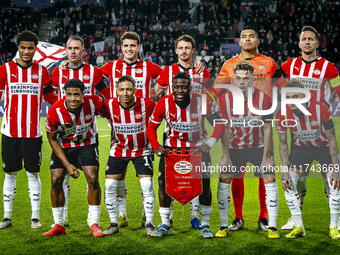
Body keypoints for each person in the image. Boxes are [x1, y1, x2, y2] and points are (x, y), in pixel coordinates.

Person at [273, 25, 340, 231]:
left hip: (321, 124)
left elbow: (338, 90)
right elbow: (275, 78)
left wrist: (328, 104)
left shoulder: (328, 67)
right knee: (298, 178)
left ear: (317, 44)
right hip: (297, 129)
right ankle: (295, 218)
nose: (307, 42)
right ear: (299, 43)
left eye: (311, 39)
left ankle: (335, 220)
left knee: (328, 178)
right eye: (304, 39)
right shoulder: (290, 64)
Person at [147, 72, 225, 238]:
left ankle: (205, 224)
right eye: (176, 87)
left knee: (204, 186)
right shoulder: (163, 102)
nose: (180, 90)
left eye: (184, 86)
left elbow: (219, 124)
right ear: (171, 87)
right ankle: (165, 223)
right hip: (171, 152)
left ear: (190, 87)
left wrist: (210, 142)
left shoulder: (202, 101)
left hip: (197, 150)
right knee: (163, 185)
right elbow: (151, 128)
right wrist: (156, 146)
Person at [214, 26, 277, 231]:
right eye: (244, 36)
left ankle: (264, 217)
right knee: (235, 173)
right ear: (239, 42)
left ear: (258, 41)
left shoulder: (269, 63)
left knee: (265, 172)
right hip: (238, 128)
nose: (248, 39)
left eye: (252, 36)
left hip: (261, 126)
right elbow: (217, 91)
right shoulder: (228, 65)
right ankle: (238, 217)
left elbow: (283, 85)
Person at [52, 35, 110, 228]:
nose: (73, 52)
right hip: (63, 135)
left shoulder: (94, 72)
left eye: (77, 48)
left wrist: (103, 111)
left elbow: (106, 94)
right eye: (70, 48)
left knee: (91, 176)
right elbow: (52, 97)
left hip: (87, 134)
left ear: (84, 51)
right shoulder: (57, 72)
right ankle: (63, 216)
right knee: (60, 178)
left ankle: (91, 219)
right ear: (65, 50)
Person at [0, 31, 55, 229]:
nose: (26, 51)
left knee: (33, 174)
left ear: (35, 49)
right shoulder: (4, 69)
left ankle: (35, 218)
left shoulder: (43, 72)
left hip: (33, 134)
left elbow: (52, 100)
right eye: (23, 47)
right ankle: (7, 217)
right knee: (10, 175)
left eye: (30, 48)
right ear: (18, 48)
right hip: (10, 133)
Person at [156, 34, 211, 229]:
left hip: (197, 133)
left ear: (192, 50)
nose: (184, 51)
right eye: (181, 48)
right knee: (170, 177)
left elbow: (209, 95)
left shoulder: (202, 71)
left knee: (196, 178)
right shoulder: (168, 70)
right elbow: (155, 92)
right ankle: (167, 218)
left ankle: (195, 217)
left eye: (188, 48)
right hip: (172, 133)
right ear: (176, 50)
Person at [277, 81, 340, 239]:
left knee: (334, 181)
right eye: (288, 97)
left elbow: (332, 139)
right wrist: (285, 172)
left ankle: (334, 225)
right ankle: (299, 225)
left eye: (295, 97)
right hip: (302, 148)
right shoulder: (282, 113)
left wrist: (337, 168)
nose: (291, 101)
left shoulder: (321, 109)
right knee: (289, 181)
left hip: (324, 147)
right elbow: (283, 144)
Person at [43, 79, 105, 237]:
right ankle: (59, 224)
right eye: (69, 94)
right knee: (56, 179)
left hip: (87, 144)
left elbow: (110, 109)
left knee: (92, 177)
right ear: (64, 94)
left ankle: (94, 223)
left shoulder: (95, 102)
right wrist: (67, 164)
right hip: (63, 145)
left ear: (83, 94)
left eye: (76, 94)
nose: (72, 98)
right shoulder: (54, 111)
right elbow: (52, 138)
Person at [99, 75, 156, 236]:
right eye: (122, 89)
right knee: (110, 186)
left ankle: (149, 223)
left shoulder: (147, 103)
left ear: (135, 90)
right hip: (118, 150)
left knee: (147, 186)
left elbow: (162, 113)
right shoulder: (109, 105)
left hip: (141, 150)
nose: (125, 93)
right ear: (116, 91)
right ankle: (114, 223)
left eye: (129, 89)